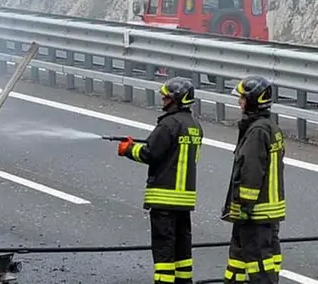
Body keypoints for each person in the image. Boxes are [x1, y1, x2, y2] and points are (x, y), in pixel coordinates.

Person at [117, 77, 203, 284]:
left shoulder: (168, 124)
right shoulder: (194, 126)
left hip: (164, 200)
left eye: (167, 96)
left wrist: (128, 149)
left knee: (164, 251)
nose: (163, 98)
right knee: (182, 250)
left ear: (177, 100)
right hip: (184, 202)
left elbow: (150, 153)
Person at [222, 75, 285, 283]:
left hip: (256, 211)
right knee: (245, 257)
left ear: (253, 100)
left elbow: (251, 170)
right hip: (269, 210)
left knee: (259, 264)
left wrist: (244, 205)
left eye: (242, 97)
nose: (239, 101)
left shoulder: (257, 131)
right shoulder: (270, 127)